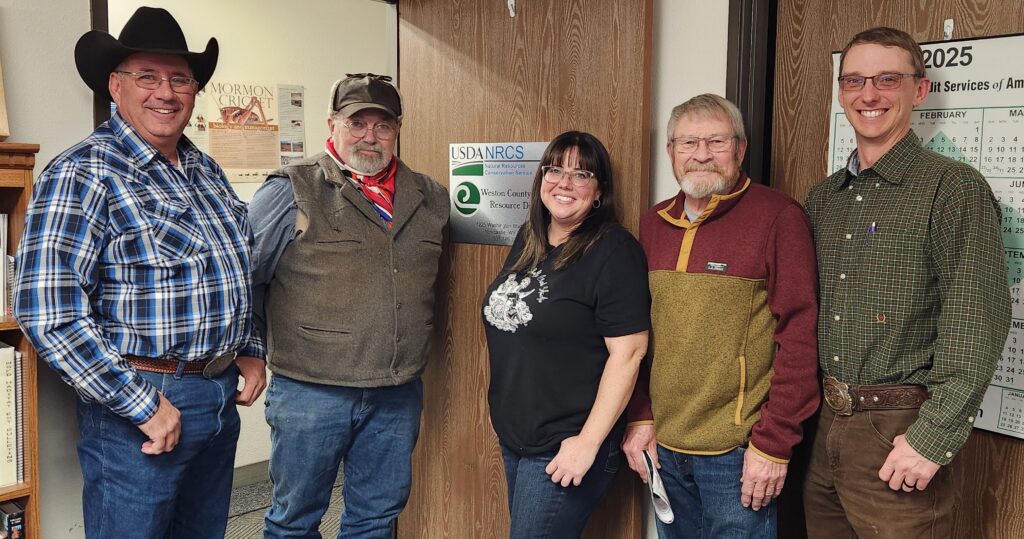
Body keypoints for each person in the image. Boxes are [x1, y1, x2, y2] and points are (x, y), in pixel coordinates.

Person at [13, 7, 266, 537]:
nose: (165, 92)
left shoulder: (204, 169)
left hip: (216, 398)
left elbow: (231, 270)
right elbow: (48, 311)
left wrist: (249, 346)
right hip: (141, 404)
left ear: (195, 91)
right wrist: (143, 404)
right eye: (146, 76)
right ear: (115, 85)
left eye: (180, 78)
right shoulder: (84, 171)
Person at [802, 27, 1011, 537]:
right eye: (854, 80)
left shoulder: (953, 188)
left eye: (886, 79)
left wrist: (931, 437)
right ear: (840, 92)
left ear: (919, 90)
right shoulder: (823, 199)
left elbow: (977, 319)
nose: (868, 94)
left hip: (900, 436)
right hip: (822, 430)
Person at [249, 73, 449, 537]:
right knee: (294, 520)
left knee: (376, 518)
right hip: (311, 391)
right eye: (358, 123)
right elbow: (247, 277)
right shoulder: (291, 189)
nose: (370, 137)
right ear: (332, 124)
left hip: (397, 391)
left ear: (398, 129)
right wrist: (251, 352)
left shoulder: (430, 196)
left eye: (383, 126)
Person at [621, 94, 820, 538]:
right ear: (671, 151)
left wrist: (773, 444)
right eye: (689, 143)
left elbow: (801, 336)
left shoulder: (778, 217)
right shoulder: (653, 222)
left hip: (738, 452)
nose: (702, 155)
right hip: (665, 448)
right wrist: (640, 416)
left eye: (716, 141)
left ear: (741, 149)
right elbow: (636, 334)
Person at [483, 131, 651, 538]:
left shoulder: (614, 250)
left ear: (598, 192)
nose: (564, 182)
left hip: (567, 442)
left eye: (581, 174)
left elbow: (628, 355)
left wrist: (587, 444)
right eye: (555, 170)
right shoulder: (530, 238)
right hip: (518, 437)